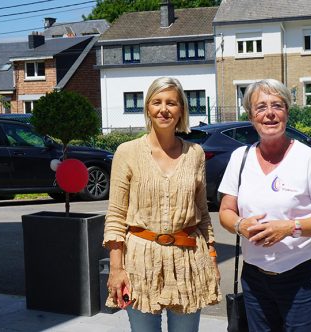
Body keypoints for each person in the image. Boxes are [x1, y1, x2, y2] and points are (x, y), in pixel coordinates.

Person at [218, 79, 311, 331]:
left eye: (277, 105)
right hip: (254, 279)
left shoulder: (309, 159)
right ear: (251, 116)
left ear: (287, 112)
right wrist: (240, 224)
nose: (270, 113)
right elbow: (225, 211)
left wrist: (289, 228)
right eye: (261, 107)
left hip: (301, 278)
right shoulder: (239, 158)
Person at [103, 77, 221, 331]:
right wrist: (116, 268)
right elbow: (115, 216)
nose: (163, 109)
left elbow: (202, 213)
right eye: (157, 102)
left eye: (171, 103)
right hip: (140, 261)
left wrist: (211, 258)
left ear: (181, 110)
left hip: (188, 260)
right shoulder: (127, 152)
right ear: (148, 108)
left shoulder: (195, 154)